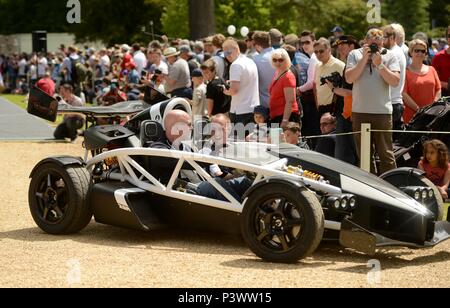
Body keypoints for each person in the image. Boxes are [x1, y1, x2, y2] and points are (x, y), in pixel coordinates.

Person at [346, 28, 400, 174]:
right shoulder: (355, 54)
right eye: (372, 44)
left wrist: (380, 64)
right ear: (365, 42)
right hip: (360, 112)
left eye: (378, 44)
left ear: (383, 43)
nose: (376, 47)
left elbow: (395, 81)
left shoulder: (390, 56)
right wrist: (364, 59)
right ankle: (369, 189)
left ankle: (391, 187)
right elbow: (349, 78)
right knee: (364, 157)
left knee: (386, 154)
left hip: (382, 112)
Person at [325, 35, 359, 166]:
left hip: (352, 116)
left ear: (352, 46)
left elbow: (353, 92)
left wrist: (334, 89)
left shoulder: (355, 65)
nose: (340, 51)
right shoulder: (351, 64)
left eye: (343, 47)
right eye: (338, 48)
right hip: (348, 114)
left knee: (345, 157)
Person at [222, 38, 260, 129]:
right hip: (253, 109)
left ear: (236, 49)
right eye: (225, 54)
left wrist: (225, 91)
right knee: (251, 141)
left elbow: (234, 90)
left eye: (228, 52)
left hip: (239, 111)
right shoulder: (250, 61)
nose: (227, 56)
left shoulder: (236, 65)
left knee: (238, 142)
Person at [403, 39, 442, 124]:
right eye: (417, 50)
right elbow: (404, 94)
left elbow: (438, 89)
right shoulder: (405, 72)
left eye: (423, 51)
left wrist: (432, 107)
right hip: (412, 117)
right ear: (411, 52)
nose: (420, 53)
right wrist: (419, 110)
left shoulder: (432, 70)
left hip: (431, 116)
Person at [383, 25, 407, 139]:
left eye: (383, 37)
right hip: (392, 103)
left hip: (392, 103)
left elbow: (392, 80)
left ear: (392, 37)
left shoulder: (394, 53)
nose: (381, 41)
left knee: (389, 145)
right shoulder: (394, 51)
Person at [269, 48, 300, 128]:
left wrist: (285, 120)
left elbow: (290, 101)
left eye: (280, 60)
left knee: (285, 140)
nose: (277, 62)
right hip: (276, 116)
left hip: (286, 117)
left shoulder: (288, 76)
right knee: (275, 140)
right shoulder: (277, 72)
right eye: (274, 60)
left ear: (286, 60)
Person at [252, 31, 275, 109]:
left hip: (263, 104)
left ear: (258, 45)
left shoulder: (256, 60)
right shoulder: (281, 55)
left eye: (254, 44)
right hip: (281, 103)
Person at [432, 26, 450, 97]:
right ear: (446, 38)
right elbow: (432, 79)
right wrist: (446, 85)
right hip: (445, 97)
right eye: (449, 36)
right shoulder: (438, 57)